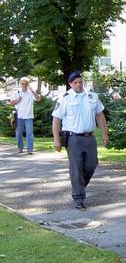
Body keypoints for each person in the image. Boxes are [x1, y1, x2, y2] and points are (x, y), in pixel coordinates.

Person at [52, 70, 109, 211]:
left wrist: (105, 134)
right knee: (76, 168)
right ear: (70, 84)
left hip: (90, 137)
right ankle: (79, 198)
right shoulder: (65, 99)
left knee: (92, 164)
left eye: (80, 81)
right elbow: (56, 119)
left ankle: (79, 186)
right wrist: (56, 139)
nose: (78, 84)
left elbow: (100, 115)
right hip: (73, 138)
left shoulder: (92, 96)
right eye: (75, 82)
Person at [10, 77, 41, 154]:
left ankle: (29, 149)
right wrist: (17, 100)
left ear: (28, 84)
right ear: (20, 84)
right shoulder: (17, 92)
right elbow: (11, 102)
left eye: (26, 83)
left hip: (29, 116)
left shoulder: (31, 92)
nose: (24, 85)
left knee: (30, 133)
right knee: (18, 133)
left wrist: (33, 91)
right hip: (19, 116)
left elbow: (38, 99)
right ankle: (20, 148)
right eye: (22, 83)